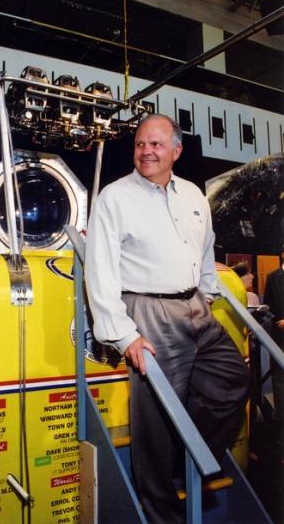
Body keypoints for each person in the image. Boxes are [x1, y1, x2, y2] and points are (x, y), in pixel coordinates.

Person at [84, 114, 250, 523]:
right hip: (148, 308)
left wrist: (207, 292)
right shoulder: (115, 197)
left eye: (156, 144)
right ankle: (161, 511)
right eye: (141, 144)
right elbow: (100, 270)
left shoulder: (193, 195)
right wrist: (124, 337)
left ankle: (183, 458)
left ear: (176, 150)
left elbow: (205, 249)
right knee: (156, 416)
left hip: (195, 305)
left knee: (233, 380)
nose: (146, 151)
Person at [264, 247, 284, 423]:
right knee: (279, 378)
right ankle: (281, 415)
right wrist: (277, 321)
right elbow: (268, 307)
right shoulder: (272, 277)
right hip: (280, 336)